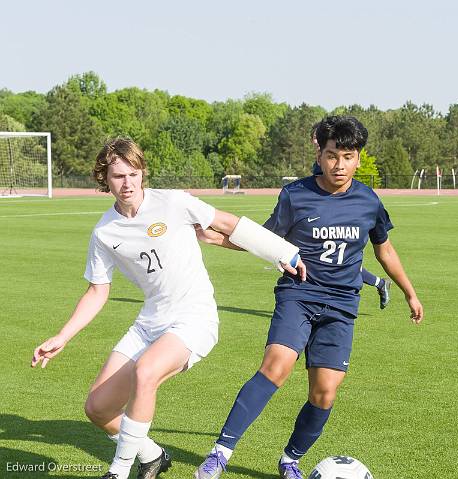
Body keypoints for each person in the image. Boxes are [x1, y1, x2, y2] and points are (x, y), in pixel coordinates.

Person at [31, 138, 305, 479]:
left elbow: (227, 225)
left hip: (194, 318)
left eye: (134, 174)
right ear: (105, 178)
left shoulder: (173, 202)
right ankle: (153, 455)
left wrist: (281, 250)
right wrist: (63, 335)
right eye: (118, 176)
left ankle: (118, 471)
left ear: (143, 172)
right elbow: (97, 291)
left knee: (147, 372)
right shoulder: (105, 232)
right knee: (98, 408)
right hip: (150, 322)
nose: (128, 183)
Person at [194, 115, 423, 479]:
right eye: (332, 155)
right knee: (276, 366)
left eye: (348, 156)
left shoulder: (368, 201)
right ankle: (220, 453)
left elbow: (385, 250)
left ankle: (290, 460)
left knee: (325, 393)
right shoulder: (296, 195)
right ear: (320, 155)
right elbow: (265, 239)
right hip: (298, 295)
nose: (339, 165)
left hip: (343, 305)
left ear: (358, 158)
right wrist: (216, 238)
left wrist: (410, 292)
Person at [311, 127, 391, 309]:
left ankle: (379, 283)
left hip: (333, 221)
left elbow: (386, 251)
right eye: (315, 139)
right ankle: (379, 283)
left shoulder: (366, 198)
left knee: (342, 262)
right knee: (336, 261)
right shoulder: (320, 164)